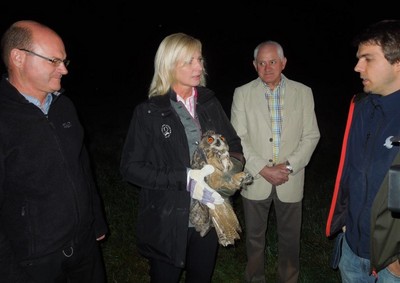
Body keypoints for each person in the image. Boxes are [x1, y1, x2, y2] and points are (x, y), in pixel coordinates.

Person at [120, 32, 246, 283]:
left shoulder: (209, 103)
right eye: (189, 61)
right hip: (168, 219)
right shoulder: (149, 112)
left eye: (199, 59)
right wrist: (185, 179)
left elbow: (234, 145)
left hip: (209, 214)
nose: (199, 66)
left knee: (201, 277)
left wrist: (228, 174)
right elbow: (131, 168)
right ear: (168, 65)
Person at [0, 20, 108, 282]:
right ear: (18, 58)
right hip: (35, 258)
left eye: (64, 61)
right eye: (53, 60)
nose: (64, 70)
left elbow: (83, 164)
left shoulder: (64, 107)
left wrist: (96, 219)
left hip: (83, 245)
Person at [230, 40, 320, 283]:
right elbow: (238, 138)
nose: (267, 67)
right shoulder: (242, 93)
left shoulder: (303, 92)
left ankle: (288, 279)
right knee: (254, 239)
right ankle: (254, 278)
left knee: (290, 239)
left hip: (290, 179)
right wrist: (262, 169)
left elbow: (311, 135)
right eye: (262, 62)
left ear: (283, 63)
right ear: (254, 65)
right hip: (255, 178)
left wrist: (289, 166)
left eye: (272, 61)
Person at [326, 19, 400, 282]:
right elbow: (351, 172)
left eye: (368, 58)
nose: (357, 67)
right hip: (352, 247)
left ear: (397, 62)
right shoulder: (360, 107)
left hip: (391, 260)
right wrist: (345, 221)